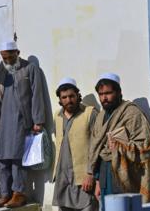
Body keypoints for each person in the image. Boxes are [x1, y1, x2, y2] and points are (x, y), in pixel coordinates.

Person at [88, 73, 150, 210]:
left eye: (108, 93)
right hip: (105, 173)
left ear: (119, 92)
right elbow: (97, 149)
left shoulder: (132, 113)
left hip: (126, 174)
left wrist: (120, 147)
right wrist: (97, 179)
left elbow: (147, 146)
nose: (104, 97)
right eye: (101, 94)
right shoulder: (100, 117)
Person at [0, 41, 52, 208]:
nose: (8, 60)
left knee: (18, 157)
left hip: (22, 120)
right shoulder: (2, 70)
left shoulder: (30, 68)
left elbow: (36, 95)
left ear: (17, 52)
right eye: (5, 57)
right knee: (2, 158)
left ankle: (19, 193)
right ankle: (5, 193)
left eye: (11, 56)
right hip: (4, 120)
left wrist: (38, 120)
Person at [52, 78, 98, 211]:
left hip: (83, 179)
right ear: (60, 99)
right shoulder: (57, 116)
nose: (68, 100)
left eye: (72, 96)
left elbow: (97, 146)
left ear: (78, 95)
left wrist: (90, 174)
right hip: (63, 179)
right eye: (64, 97)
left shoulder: (90, 113)